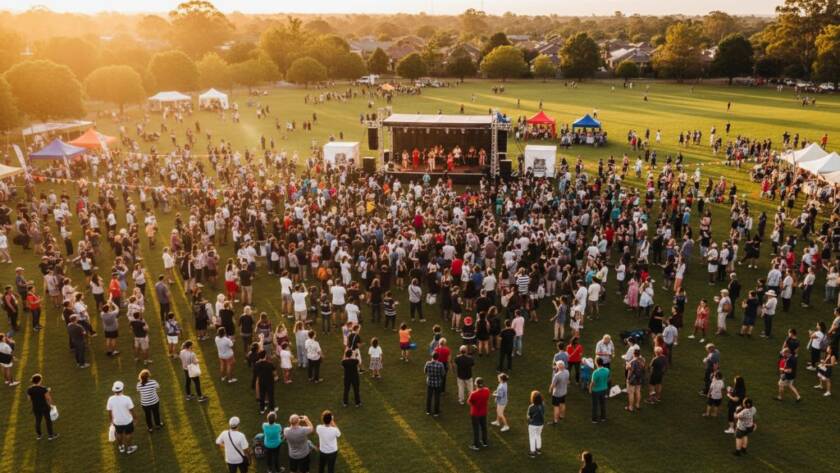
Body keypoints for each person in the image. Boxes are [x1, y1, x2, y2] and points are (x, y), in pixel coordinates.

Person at [107, 381, 138, 455]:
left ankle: (121, 447)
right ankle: (129, 448)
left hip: (117, 421)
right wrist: (136, 418)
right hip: (127, 421)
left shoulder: (110, 399)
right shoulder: (127, 398)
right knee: (128, 434)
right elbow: (132, 410)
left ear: (114, 390)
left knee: (118, 433)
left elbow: (109, 412)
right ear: (122, 389)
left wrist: (111, 421)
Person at [27, 373, 57, 440]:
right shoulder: (43, 389)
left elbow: (29, 399)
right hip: (44, 407)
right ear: (39, 381)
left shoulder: (29, 389)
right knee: (48, 421)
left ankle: (39, 435)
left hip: (36, 408)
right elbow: (48, 398)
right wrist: (51, 405)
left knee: (38, 421)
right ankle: (51, 435)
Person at [467, 377, 490, 451]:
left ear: (476, 384)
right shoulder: (487, 390)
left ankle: (476, 445)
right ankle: (485, 442)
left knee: (476, 429)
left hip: (475, 413)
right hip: (483, 412)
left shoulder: (474, 394)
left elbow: (469, 402)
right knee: (484, 428)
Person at [424, 352, 445, 416]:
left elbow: (425, 371)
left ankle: (428, 411)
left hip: (430, 382)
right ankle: (436, 412)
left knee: (429, 397)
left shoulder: (428, 363)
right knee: (437, 397)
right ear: (438, 357)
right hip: (438, 383)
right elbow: (443, 374)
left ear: (432, 357)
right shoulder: (440, 364)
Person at [625, 348, 645, 412]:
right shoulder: (642, 360)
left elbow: (630, 370)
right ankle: (637, 405)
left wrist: (627, 365)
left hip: (633, 378)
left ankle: (630, 407)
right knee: (638, 391)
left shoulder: (633, 362)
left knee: (631, 393)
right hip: (639, 378)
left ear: (634, 354)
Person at [589, 358, 609, 423]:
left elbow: (593, 383)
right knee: (602, 404)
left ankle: (594, 419)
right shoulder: (607, 370)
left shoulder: (595, 372)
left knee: (595, 405)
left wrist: (590, 389)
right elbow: (608, 378)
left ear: (596, 363)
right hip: (604, 389)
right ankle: (603, 418)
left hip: (596, 390)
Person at [527, 390, 545, 458]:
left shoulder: (531, 407)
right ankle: (538, 449)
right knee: (538, 435)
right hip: (540, 424)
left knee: (532, 438)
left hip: (532, 425)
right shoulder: (543, 405)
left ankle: (532, 452)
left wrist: (529, 420)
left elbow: (528, 416)